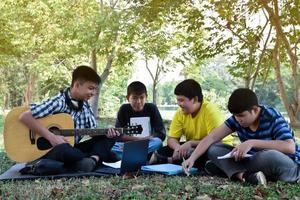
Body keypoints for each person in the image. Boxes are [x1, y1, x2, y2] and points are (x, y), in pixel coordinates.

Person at [183, 88, 300, 185]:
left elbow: (289, 147)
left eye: (241, 115)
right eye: (235, 116)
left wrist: (251, 143)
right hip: (253, 162)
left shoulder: (272, 116)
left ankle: (226, 170)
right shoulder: (237, 119)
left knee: (269, 155)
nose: (238, 119)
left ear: (254, 109)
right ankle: (245, 176)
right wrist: (191, 158)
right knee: (214, 148)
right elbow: (212, 137)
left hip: (284, 164)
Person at [19, 65, 119, 173]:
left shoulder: (85, 106)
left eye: (95, 89)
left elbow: (92, 132)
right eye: (90, 88)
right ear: (76, 85)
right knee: (67, 150)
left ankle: (92, 159)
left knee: (109, 138)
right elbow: (24, 116)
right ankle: (95, 158)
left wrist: (107, 133)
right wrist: (52, 137)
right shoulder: (58, 102)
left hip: (73, 147)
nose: (93, 93)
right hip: (53, 150)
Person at [151, 79, 233, 168]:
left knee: (210, 151)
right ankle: (183, 160)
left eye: (181, 100)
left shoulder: (210, 110)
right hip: (193, 147)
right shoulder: (180, 112)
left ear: (194, 99)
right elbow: (172, 139)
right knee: (164, 150)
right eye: (177, 100)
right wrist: (178, 148)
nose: (179, 103)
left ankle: (171, 160)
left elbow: (216, 140)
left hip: (218, 147)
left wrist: (191, 143)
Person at [111, 81, 166, 160]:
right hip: (128, 145)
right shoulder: (124, 109)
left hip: (148, 144)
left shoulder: (152, 108)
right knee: (110, 146)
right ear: (128, 98)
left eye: (141, 97)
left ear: (146, 97)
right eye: (134, 98)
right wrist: (137, 140)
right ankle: (144, 157)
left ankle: (128, 156)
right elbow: (119, 135)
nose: (138, 101)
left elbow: (161, 133)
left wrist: (148, 138)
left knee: (158, 142)